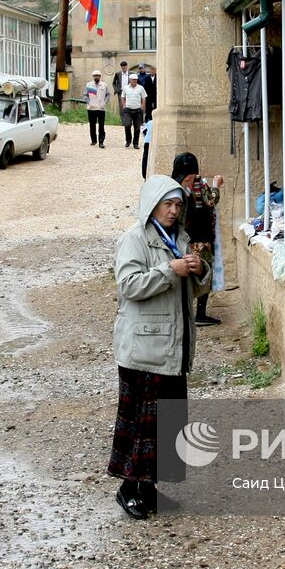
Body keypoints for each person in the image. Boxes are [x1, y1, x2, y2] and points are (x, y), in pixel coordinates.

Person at [109, 176, 210, 519]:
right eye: (168, 204)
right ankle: (128, 489)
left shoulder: (179, 239)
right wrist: (171, 270)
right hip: (144, 350)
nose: (173, 211)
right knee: (141, 423)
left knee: (167, 423)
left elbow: (191, 292)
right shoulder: (134, 239)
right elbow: (128, 285)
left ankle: (149, 489)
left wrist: (199, 270)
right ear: (152, 205)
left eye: (178, 205)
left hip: (172, 348)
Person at [171, 153, 225, 326]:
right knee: (203, 273)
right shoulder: (196, 185)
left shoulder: (172, 187)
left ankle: (185, 312)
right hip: (199, 237)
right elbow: (211, 201)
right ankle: (199, 314)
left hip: (184, 238)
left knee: (187, 273)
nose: (188, 179)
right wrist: (216, 186)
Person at [85, 70, 112, 148]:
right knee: (92, 125)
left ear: (100, 76)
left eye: (98, 75)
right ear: (93, 76)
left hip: (101, 108)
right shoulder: (89, 85)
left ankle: (101, 142)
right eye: (95, 75)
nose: (96, 77)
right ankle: (93, 140)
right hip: (91, 108)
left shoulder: (104, 85)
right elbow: (85, 95)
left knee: (101, 125)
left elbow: (108, 95)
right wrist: (88, 102)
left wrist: (105, 102)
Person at [120, 73, 147, 149]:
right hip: (128, 109)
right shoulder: (126, 88)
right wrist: (124, 105)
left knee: (137, 127)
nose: (135, 81)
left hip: (137, 110)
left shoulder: (140, 88)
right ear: (130, 80)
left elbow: (144, 98)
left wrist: (142, 106)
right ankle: (128, 140)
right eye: (134, 80)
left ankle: (136, 143)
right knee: (127, 125)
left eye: (136, 80)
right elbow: (122, 97)